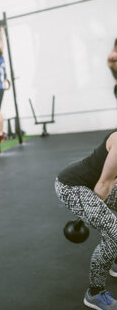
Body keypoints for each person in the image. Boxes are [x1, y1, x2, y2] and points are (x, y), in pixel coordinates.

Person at [55, 129, 117, 310]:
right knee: (114, 233)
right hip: (72, 185)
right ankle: (95, 293)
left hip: (99, 182)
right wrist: (90, 210)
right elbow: (103, 184)